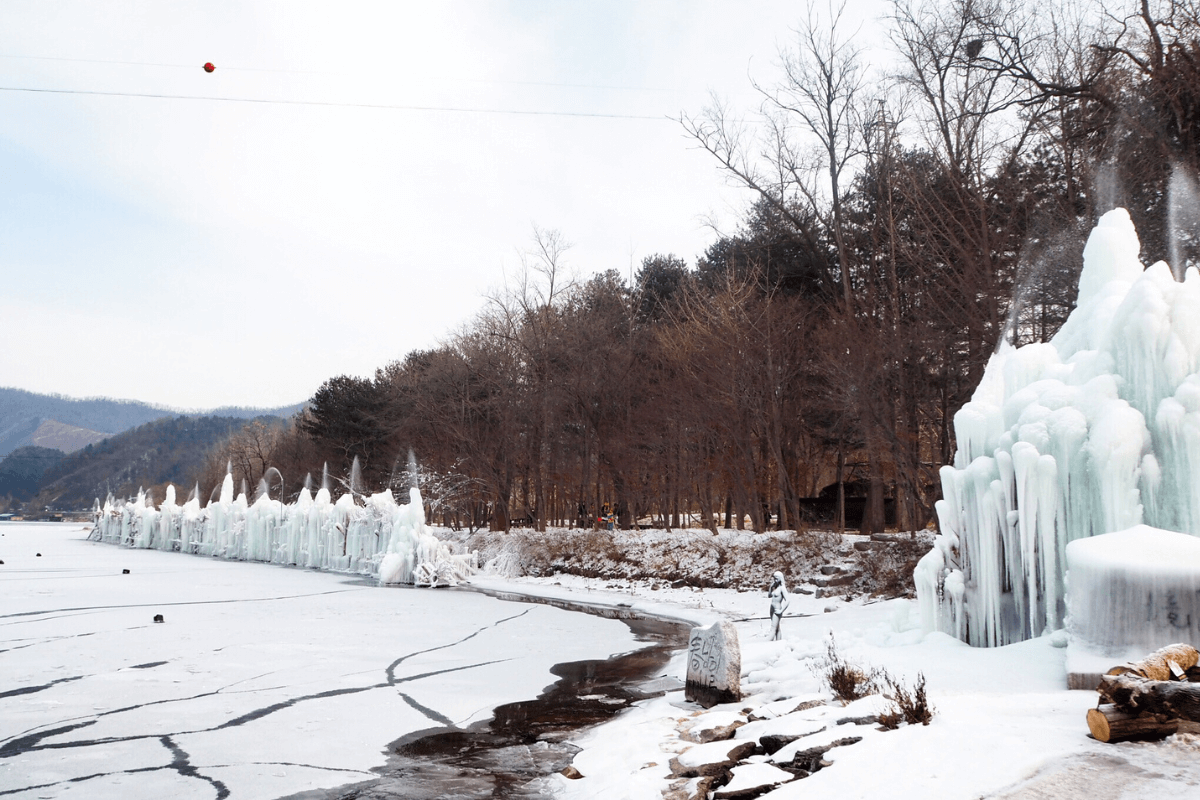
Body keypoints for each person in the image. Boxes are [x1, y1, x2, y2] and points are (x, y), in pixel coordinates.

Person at [769, 571, 789, 641]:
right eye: (774, 578)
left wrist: (781, 610)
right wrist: (771, 587)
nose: (775, 580)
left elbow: (787, 600)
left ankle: (766, 642)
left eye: (776, 578)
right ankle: (779, 642)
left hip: (777, 609)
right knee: (777, 628)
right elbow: (769, 595)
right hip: (771, 609)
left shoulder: (782, 588)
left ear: (780, 578)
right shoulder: (776, 587)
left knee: (773, 628)